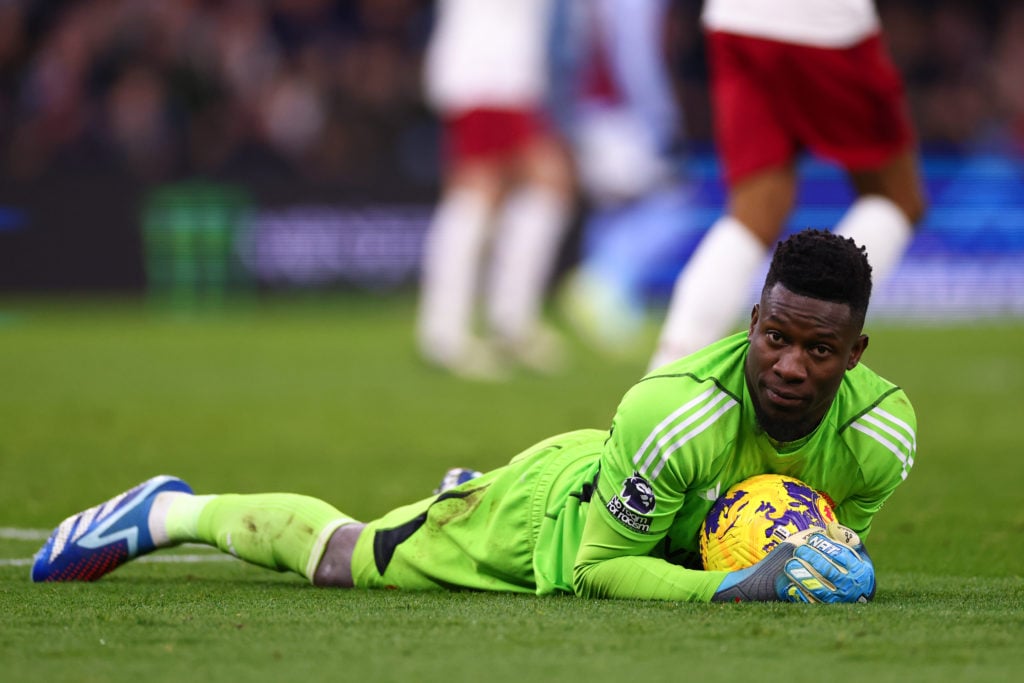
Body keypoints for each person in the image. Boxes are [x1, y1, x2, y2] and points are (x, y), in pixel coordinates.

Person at [33, 230, 916, 604]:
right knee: (347, 560)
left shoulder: (882, 439)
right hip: (548, 526)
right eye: (774, 337)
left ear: (857, 353)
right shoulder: (672, 413)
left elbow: (832, 540)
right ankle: (166, 510)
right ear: (752, 321)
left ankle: (462, 487)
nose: (791, 366)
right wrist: (737, 586)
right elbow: (604, 569)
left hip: (661, 522)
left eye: (820, 350)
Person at [649, 0, 929, 371]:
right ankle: (811, 339)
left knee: (755, 209)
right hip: (824, 22)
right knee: (898, 197)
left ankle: (668, 374)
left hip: (734, 19)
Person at [416, 0, 576, 380]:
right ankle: (446, 332)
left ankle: (506, 320)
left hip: (504, 74)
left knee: (539, 188)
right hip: (487, 71)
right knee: (483, 190)